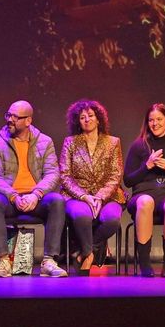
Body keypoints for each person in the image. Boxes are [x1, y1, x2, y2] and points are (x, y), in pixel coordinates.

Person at [0, 100, 67, 279]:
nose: (10, 120)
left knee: (57, 201)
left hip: (35, 199)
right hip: (9, 199)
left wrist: (36, 194)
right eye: (8, 115)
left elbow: (53, 173)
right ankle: (3, 261)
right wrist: (13, 196)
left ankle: (49, 261)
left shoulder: (44, 141)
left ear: (28, 121)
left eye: (15, 117)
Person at [123, 103, 165, 277]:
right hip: (143, 194)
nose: (155, 123)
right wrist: (147, 165)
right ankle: (145, 263)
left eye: (159, 119)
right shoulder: (138, 145)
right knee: (145, 202)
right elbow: (128, 181)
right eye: (151, 120)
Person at [59, 99, 124, 273]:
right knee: (82, 217)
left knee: (112, 220)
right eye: (82, 117)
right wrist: (84, 196)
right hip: (77, 196)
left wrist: (100, 197)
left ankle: (84, 252)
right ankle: (89, 255)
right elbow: (65, 175)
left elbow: (115, 174)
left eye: (90, 115)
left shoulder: (113, 142)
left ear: (98, 119)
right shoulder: (70, 142)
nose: (87, 119)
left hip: (108, 196)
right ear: (77, 121)